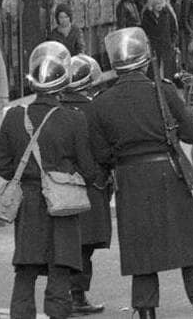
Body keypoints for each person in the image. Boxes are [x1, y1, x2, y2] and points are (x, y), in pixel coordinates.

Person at [86, 28, 193, 319]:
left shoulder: (100, 103)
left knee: (142, 259)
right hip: (169, 175)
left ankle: (147, 313)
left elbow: (100, 155)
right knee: (190, 252)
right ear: (145, 60)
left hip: (130, 182)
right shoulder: (163, 91)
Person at [0, 41, 102, 319]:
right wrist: (64, 176)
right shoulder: (73, 119)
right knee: (60, 270)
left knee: (25, 270)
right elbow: (89, 170)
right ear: (63, 81)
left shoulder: (14, 116)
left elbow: (2, 165)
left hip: (27, 203)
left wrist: (28, 177)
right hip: (62, 203)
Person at [59, 54, 111, 316]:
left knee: (66, 242)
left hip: (59, 184)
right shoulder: (95, 109)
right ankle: (77, 295)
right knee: (85, 245)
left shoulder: (55, 108)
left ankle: (65, 294)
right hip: (90, 184)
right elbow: (103, 150)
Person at [140, 0, 179, 85]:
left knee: (167, 69)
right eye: (157, 4)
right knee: (153, 68)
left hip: (166, 44)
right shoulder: (147, 14)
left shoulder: (167, 13)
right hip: (153, 45)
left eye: (161, 3)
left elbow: (173, 28)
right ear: (152, 4)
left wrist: (173, 42)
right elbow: (144, 30)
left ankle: (167, 85)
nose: (160, 6)